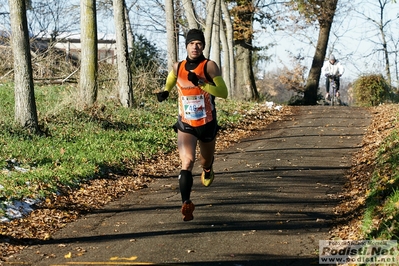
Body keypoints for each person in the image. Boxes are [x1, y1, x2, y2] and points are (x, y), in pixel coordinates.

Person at [156, 29, 228, 221]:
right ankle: (186, 203)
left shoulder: (209, 66)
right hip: (186, 123)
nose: (195, 47)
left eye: (199, 43)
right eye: (191, 43)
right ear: (186, 46)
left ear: (203, 46)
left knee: (205, 160)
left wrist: (202, 84)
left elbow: (223, 92)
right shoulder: (178, 66)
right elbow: (172, 78)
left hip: (207, 122)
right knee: (187, 162)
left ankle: (207, 168)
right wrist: (165, 91)